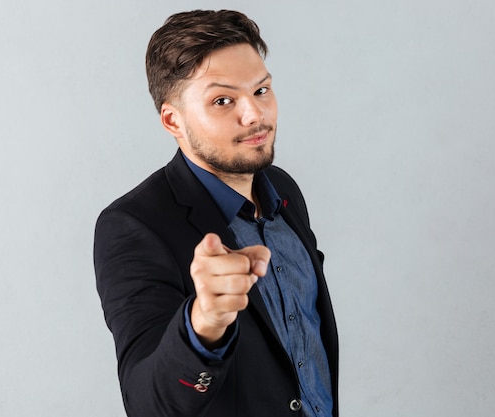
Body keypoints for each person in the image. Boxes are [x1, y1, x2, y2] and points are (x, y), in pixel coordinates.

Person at [94, 9, 338, 417]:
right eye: (223, 100)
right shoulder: (132, 226)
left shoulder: (283, 190)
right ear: (173, 120)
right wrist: (203, 324)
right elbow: (148, 404)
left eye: (261, 91)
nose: (255, 115)